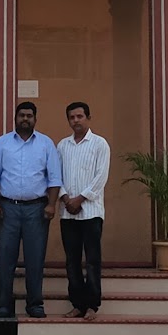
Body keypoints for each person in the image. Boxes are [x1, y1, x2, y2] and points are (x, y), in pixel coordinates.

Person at [0, 100, 61, 319]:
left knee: (35, 259)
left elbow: (54, 178)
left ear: (35, 119)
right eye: (22, 116)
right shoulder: (3, 143)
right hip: (7, 209)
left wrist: (51, 205)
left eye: (29, 116)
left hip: (36, 210)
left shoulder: (46, 144)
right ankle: (3, 304)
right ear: (16, 118)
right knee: (5, 259)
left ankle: (35, 304)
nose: (25, 119)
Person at [58, 100, 110, 321]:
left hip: (91, 213)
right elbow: (55, 176)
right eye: (72, 117)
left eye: (80, 116)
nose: (76, 121)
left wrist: (80, 199)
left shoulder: (100, 144)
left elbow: (101, 178)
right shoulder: (62, 146)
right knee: (71, 261)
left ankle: (92, 305)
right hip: (67, 212)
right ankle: (77, 304)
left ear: (88, 118)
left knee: (92, 260)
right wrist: (65, 198)